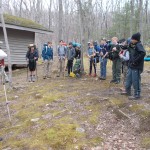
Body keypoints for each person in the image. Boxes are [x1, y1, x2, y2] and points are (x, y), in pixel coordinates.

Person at [122, 33, 146, 100]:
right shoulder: (133, 45)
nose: (131, 40)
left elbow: (143, 53)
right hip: (131, 65)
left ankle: (137, 94)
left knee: (135, 80)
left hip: (136, 66)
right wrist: (124, 45)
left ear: (136, 40)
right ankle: (127, 91)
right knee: (128, 79)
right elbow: (125, 48)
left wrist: (135, 61)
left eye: (132, 39)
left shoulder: (139, 45)